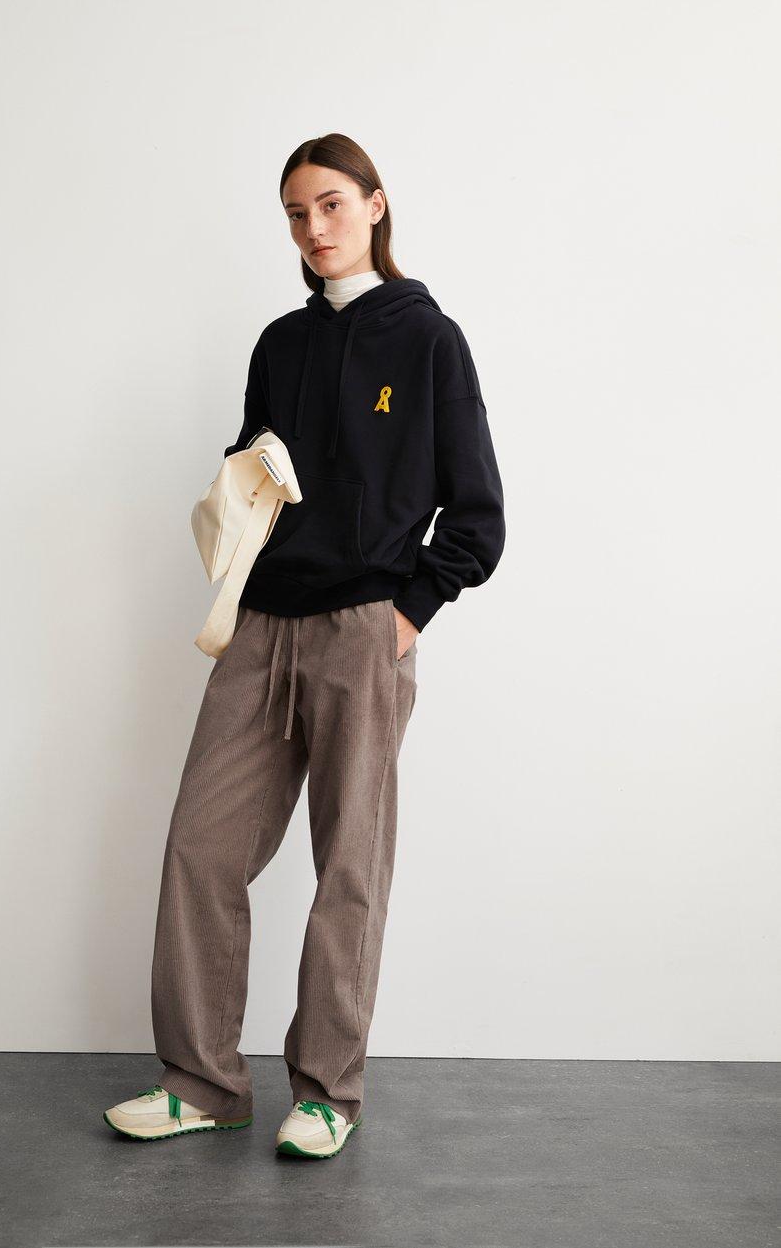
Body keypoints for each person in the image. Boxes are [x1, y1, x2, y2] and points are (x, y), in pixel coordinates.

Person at [103, 133, 507, 1159]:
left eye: (330, 204)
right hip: (260, 626)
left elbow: (478, 513)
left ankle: (327, 1091)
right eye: (295, 212)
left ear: (375, 204)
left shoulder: (430, 340)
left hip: (364, 628)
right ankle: (204, 1081)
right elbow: (253, 474)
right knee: (201, 847)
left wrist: (404, 616)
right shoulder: (280, 345)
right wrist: (246, 481)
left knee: (348, 866)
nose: (314, 227)